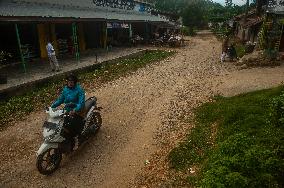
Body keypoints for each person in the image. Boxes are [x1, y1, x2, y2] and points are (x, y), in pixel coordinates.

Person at [51, 73, 85, 150]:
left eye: (72, 82)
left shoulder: (79, 90)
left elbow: (81, 103)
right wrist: (52, 106)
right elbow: (60, 100)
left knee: (72, 125)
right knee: (57, 122)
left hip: (78, 110)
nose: (70, 83)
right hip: (67, 110)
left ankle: (76, 139)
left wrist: (75, 110)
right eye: (68, 81)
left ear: (75, 82)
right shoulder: (65, 89)